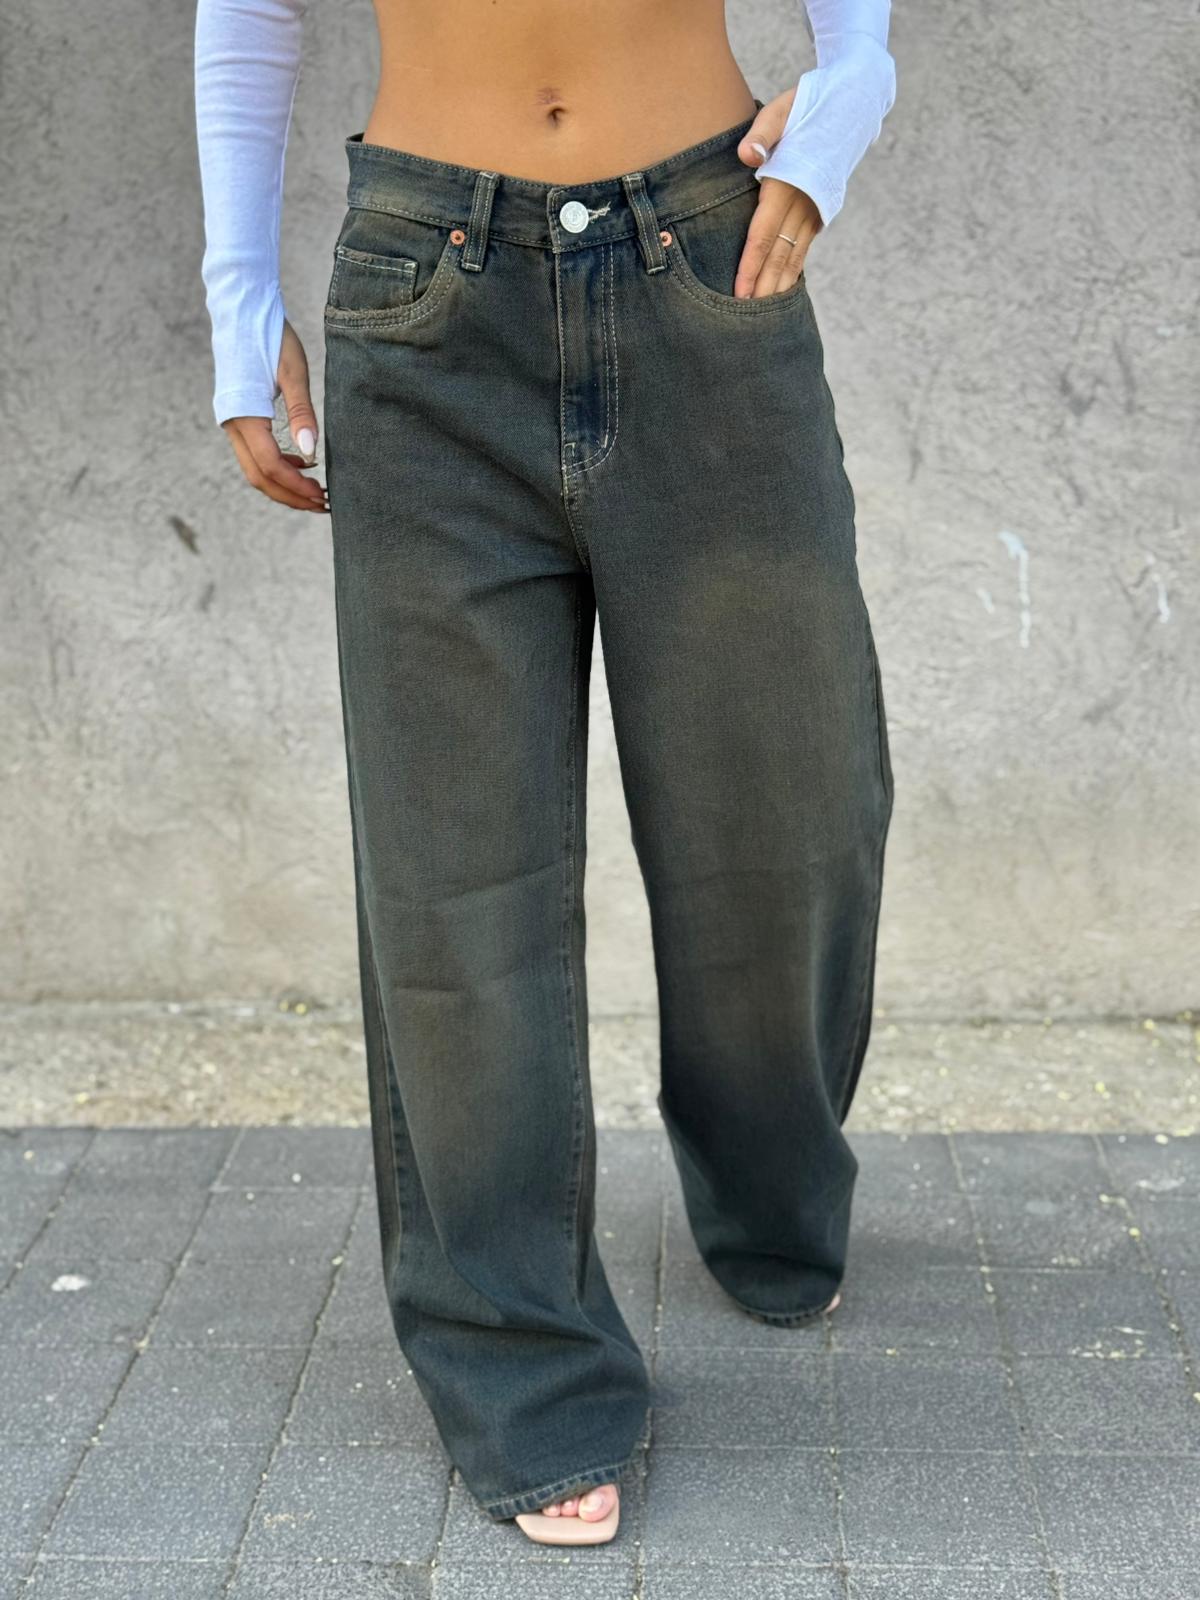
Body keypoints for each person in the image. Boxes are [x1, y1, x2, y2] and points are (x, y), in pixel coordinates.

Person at [194, 0, 897, 1548]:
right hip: (427, 291)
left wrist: (860, 70)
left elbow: (857, 41)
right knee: (457, 869)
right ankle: (521, 1362)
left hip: (706, 251)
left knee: (787, 808)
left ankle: (769, 1169)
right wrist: (240, 289)